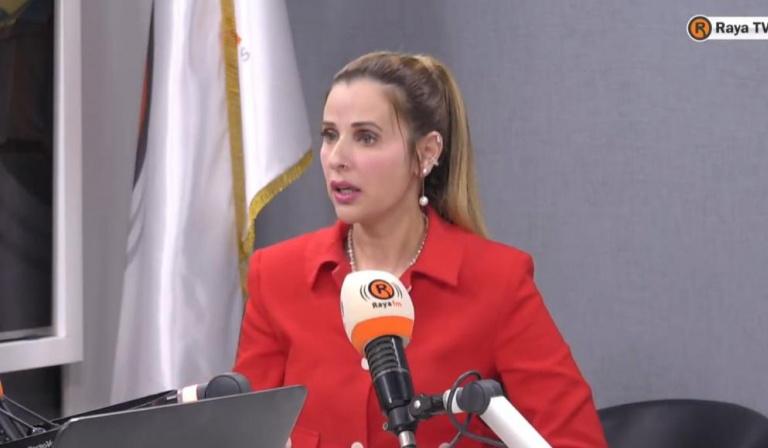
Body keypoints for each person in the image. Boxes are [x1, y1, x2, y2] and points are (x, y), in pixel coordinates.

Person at [234, 51, 607, 448]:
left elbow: (576, 441)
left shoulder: (497, 281)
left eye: (366, 137)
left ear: (427, 152)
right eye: (330, 135)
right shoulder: (277, 275)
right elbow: (241, 438)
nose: (337, 158)